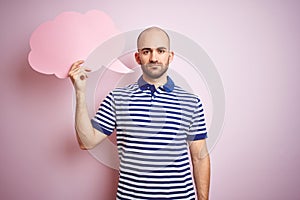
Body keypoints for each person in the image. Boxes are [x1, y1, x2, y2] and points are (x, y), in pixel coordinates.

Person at [68, 26, 210, 200]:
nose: (154, 58)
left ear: (170, 56)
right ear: (138, 57)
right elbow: (86, 142)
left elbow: (200, 158)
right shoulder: (117, 98)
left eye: (160, 50)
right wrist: (80, 92)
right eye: (146, 51)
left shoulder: (191, 102)